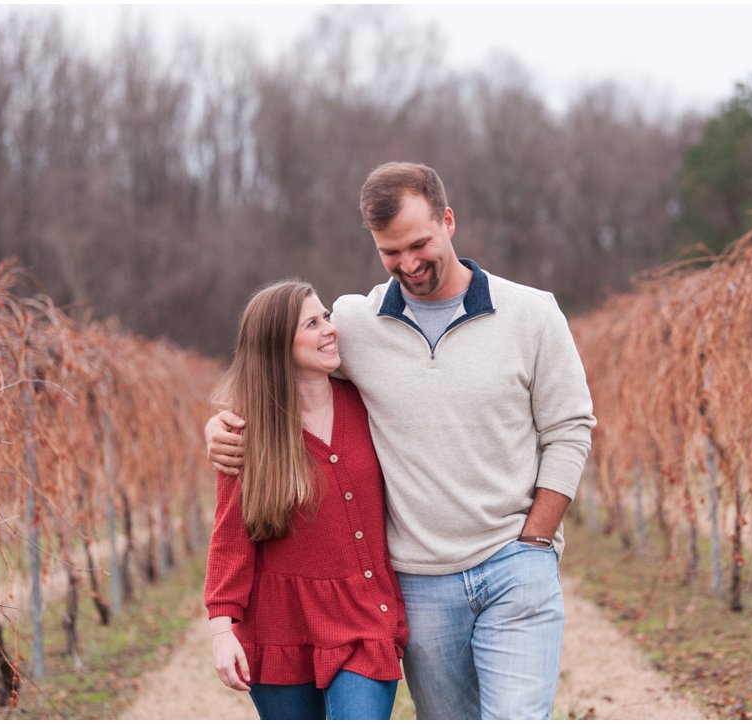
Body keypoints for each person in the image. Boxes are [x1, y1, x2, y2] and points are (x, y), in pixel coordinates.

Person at [206, 162, 595, 719]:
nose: (408, 264)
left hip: (515, 562)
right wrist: (222, 425)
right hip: (420, 583)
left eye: (419, 243)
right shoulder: (355, 325)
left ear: (449, 221)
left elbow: (570, 427)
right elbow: (278, 379)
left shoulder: (532, 314)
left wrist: (535, 540)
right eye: (391, 252)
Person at [203, 279, 407, 720]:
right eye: (312, 323)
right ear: (278, 346)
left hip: (364, 619)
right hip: (280, 627)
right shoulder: (246, 434)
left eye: (327, 317)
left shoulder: (368, 403)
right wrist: (222, 633)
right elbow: (229, 541)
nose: (329, 329)